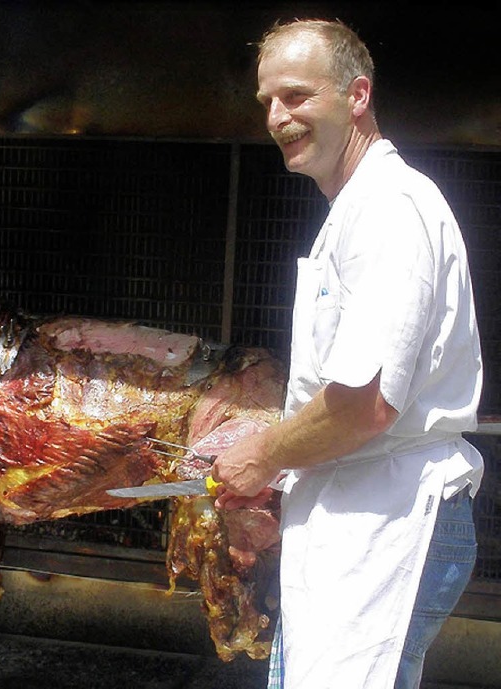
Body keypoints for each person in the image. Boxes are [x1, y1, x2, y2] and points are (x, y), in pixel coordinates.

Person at [212, 18, 483, 689]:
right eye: (267, 102)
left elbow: (366, 404)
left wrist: (264, 453)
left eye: (297, 96)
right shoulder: (357, 208)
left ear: (357, 95)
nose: (278, 117)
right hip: (357, 520)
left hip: (387, 525)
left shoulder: (390, 209)